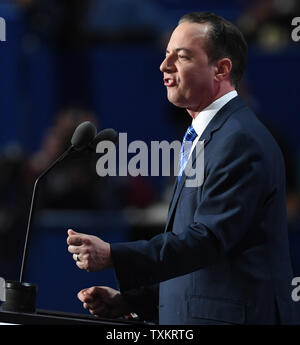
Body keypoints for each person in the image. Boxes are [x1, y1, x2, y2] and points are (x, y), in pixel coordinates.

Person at [67, 12, 300, 324]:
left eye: (182, 56)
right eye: (166, 56)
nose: (165, 66)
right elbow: (201, 264)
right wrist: (132, 301)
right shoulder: (206, 137)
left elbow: (207, 241)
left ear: (221, 69)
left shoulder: (240, 140)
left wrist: (113, 254)